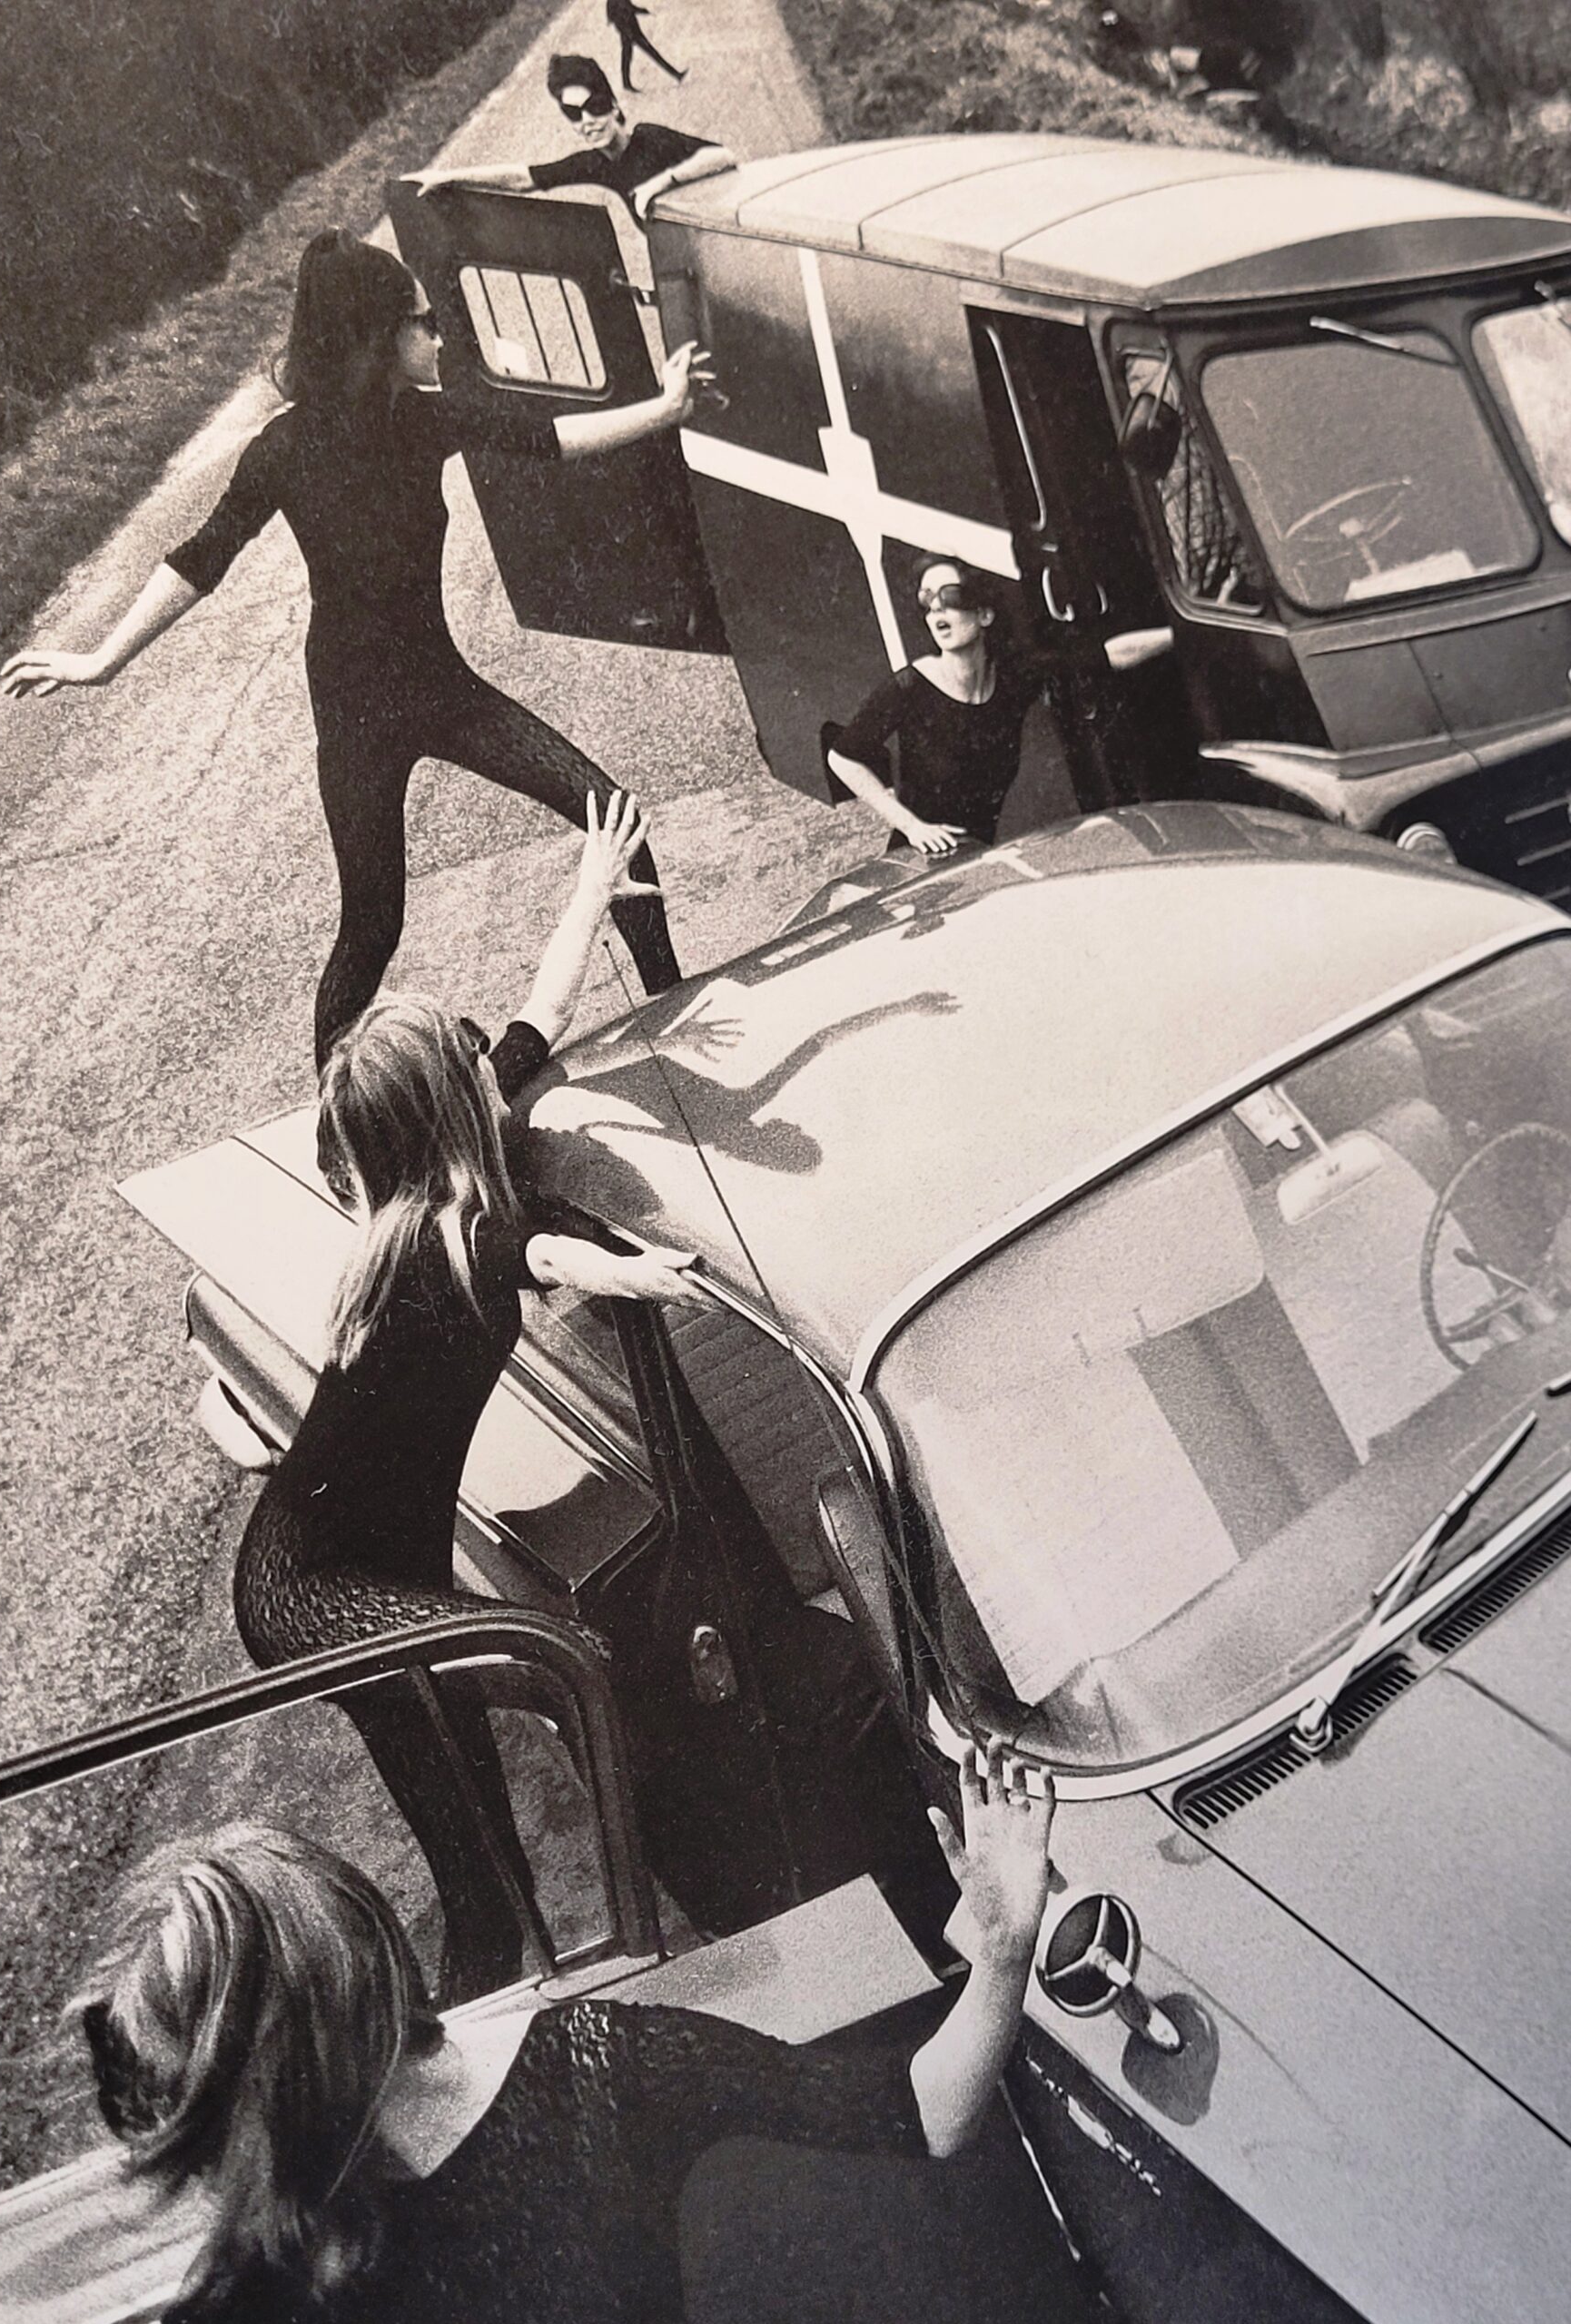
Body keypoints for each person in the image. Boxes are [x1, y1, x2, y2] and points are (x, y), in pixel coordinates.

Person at [0, 228, 701, 1070]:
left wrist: (665, 409)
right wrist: (101, 658)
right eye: (425, 321)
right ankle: (343, 1124)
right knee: (373, 925)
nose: (439, 337)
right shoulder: (284, 451)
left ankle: (673, 1014)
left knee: (613, 818)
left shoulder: (427, 418)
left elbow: (547, 436)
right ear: (378, 333)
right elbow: (201, 557)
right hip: (356, 717)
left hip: (444, 689)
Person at [232, 789, 706, 2003]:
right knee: (567, 1664)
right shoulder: (457, 1252)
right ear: (456, 1108)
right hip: (311, 1594)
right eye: (460, 1052)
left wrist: (592, 879)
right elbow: (546, 1259)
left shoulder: (431, 1188)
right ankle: (618, 1945)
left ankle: (499, 1981)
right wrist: (637, 1270)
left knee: (480, 1856)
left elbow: (538, 1012)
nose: (474, 1045)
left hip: (360, 1571)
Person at [73, 1744, 1057, 2323]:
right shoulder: (288, 2223)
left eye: (201, 2102)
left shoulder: (600, 2069)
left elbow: (923, 2113)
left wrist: (1005, 1952)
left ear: (277, 2071)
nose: (197, 2150)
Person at [824, 557, 1173, 856]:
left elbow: (1107, 655)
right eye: (926, 600)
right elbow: (842, 757)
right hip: (921, 862)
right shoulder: (911, 687)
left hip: (977, 855)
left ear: (985, 615)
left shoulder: (1012, 680)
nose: (936, 609)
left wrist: (1181, 631)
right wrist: (913, 827)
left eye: (951, 597)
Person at [413, 54, 734, 227]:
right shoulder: (596, 164)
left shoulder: (649, 137)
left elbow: (722, 155)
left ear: (613, 105)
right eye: (573, 114)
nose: (588, 122)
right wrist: (448, 176)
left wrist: (660, 183)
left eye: (594, 107)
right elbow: (523, 178)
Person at [605, 0, 685, 90]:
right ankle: (676, 74)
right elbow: (613, 17)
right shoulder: (612, 1)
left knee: (628, 58)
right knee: (651, 54)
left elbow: (630, 9)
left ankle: (626, 84)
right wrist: (626, 31)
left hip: (632, 30)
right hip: (630, 32)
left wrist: (643, 11)